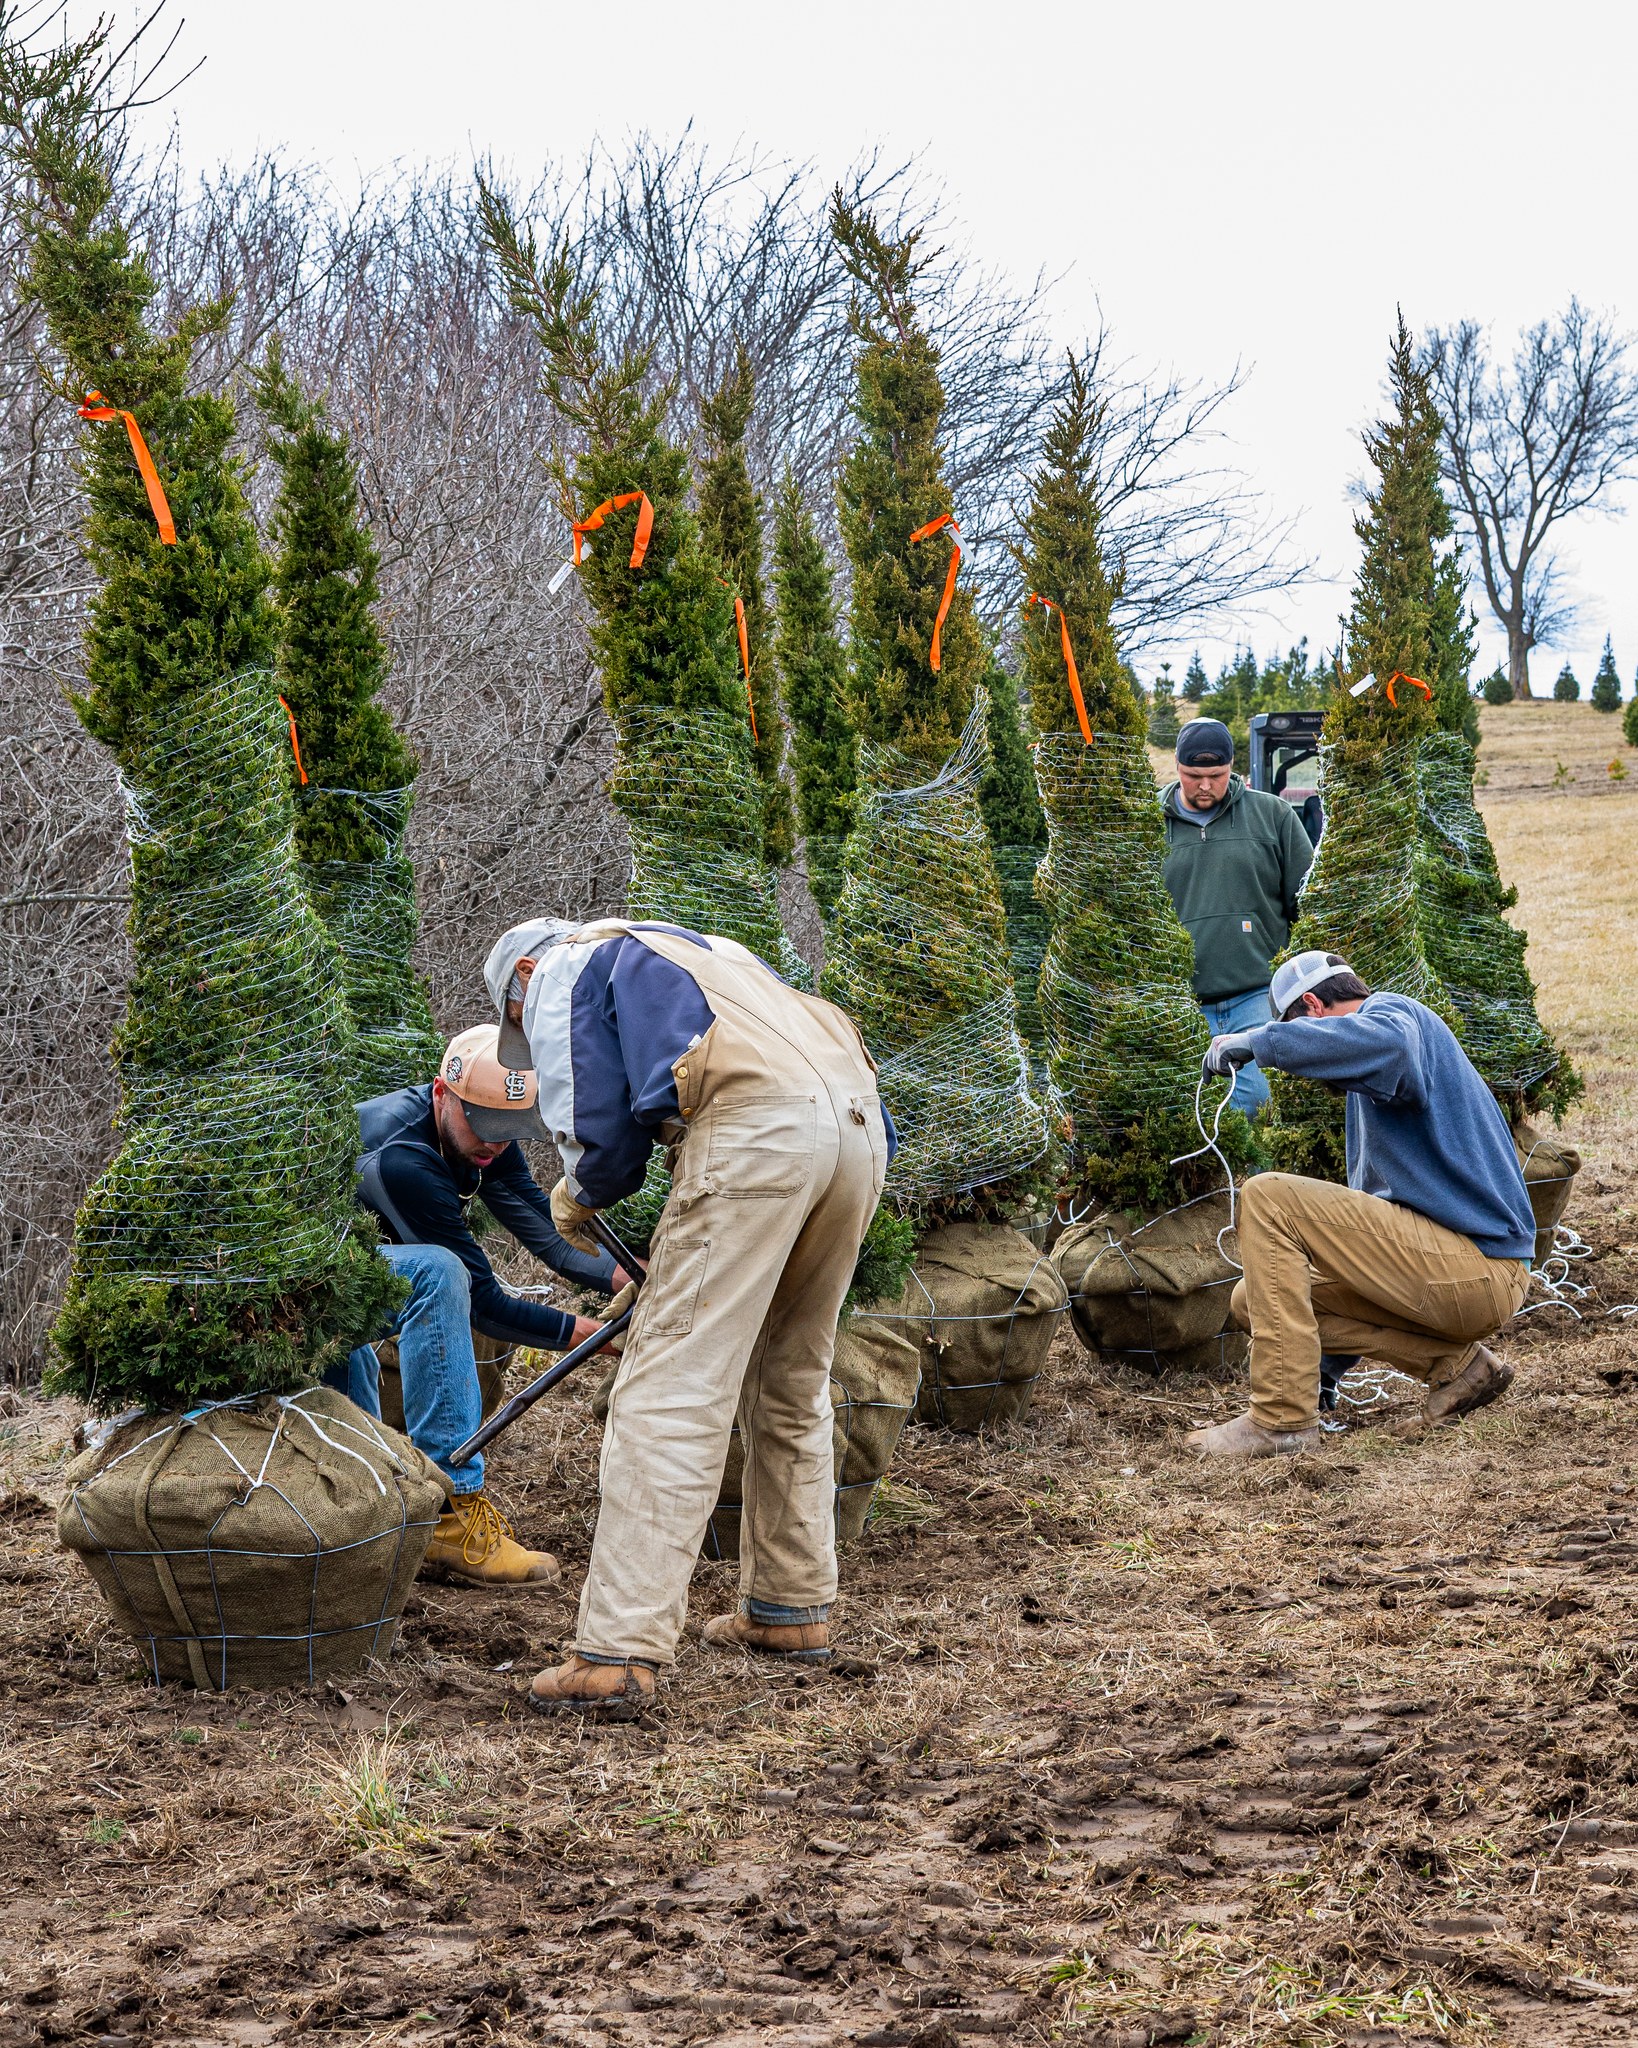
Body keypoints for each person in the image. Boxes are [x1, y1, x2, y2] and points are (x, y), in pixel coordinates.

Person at [482, 915, 892, 1715]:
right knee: (790, 1376)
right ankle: (790, 1606)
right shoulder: (718, 953)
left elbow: (596, 1133)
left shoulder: (569, 963)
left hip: (759, 1132)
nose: (530, 1030)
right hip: (857, 1131)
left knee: (669, 1389)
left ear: (520, 979)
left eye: (518, 1022)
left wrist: (578, 1194)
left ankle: (616, 1653)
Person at [1187, 950, 1534, 1458]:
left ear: (1313, 1005)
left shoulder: (1395, 1016)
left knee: (1267, 1195)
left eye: (1297, 1028)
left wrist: (1260, 1042)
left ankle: (1280, 1422)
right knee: (1250, 1298)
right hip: (1450, 1272)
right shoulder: (1370, 1096)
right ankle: (1460, 1370)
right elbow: (1365, 1259)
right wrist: (1323, 1369)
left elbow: (1387, 1046)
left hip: (1481, 1267)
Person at [343, 1025, 631, 1587]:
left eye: (512, 1129)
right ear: (441, 1094)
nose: (497, 1144)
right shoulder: (404, 1159)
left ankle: (385, 1524)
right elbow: (487, 1308)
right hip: (301, 1279)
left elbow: (548, 1231)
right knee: (441, 1274)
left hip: (350, 1268)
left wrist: (631, 1271)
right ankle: (451, 1507)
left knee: (356, 1457)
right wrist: (605, 1335)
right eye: (485, 1123)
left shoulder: (484, 1134)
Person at [1161, 716, 1313, 1116]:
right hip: (1179, 999)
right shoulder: (1147, 825)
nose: (1206, 786)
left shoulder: (1274, 816)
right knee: (1187, 1109)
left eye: (1217, 775)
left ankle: (1253, 1181)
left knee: (1258, 1104)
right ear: (1177, 767)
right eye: (1194, 775)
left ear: (1233, 769)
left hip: (1255, 995)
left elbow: (1305, 905)